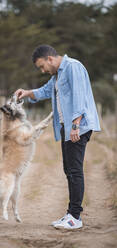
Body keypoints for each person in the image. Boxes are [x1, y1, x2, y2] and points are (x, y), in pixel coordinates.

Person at [15, 44, 101, 229]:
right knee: (69, 170)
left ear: (50, 59)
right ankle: (71, 214)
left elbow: (79, 97)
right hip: (67, 127)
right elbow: (45, 91)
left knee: (75, 170)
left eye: (41, 66)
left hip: (78, 127)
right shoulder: (58, 75)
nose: (43, 70)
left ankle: (75, 217)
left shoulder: (73, 67)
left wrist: (75, 125)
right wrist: (27, 93)